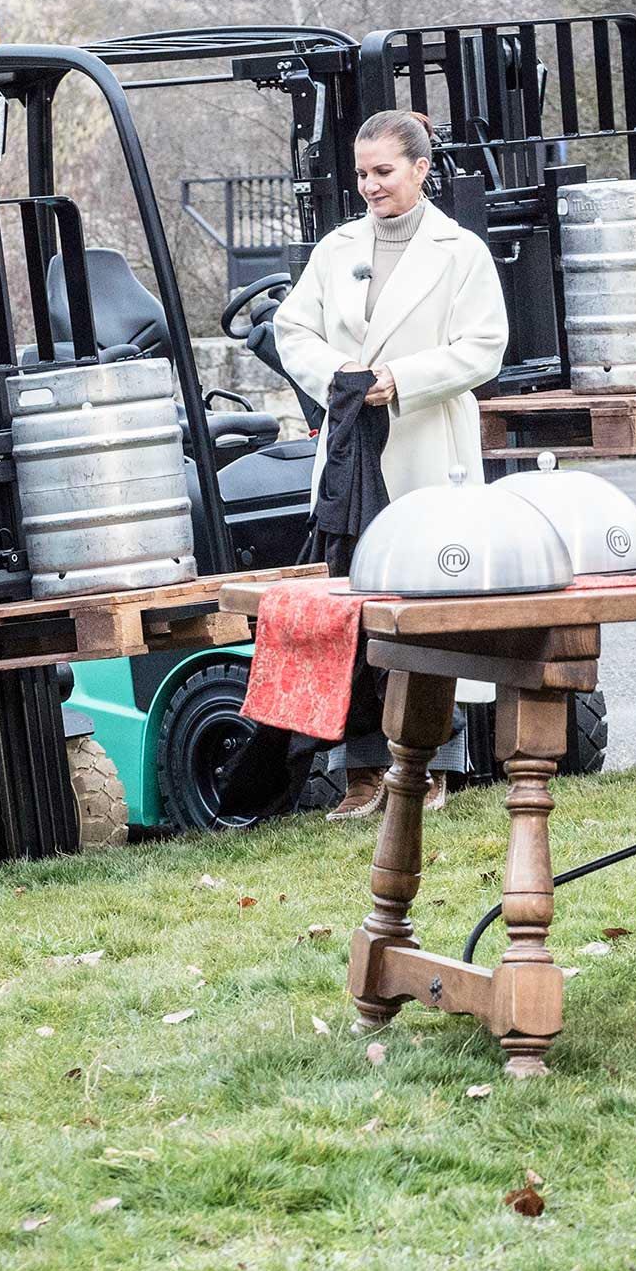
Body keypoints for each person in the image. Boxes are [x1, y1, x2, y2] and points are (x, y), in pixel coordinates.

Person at [273, 109, 510, 818]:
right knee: (352, 602)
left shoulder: (458, 251)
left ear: (420, 169)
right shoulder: (338, 247)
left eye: (383, 172)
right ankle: (360, 768)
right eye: (362, 174)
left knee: (427, 603)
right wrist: (341, 370)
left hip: (424, 445)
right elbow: (293, 326)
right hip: (353, 450)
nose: (370, 186)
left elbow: (484, 346)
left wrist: (401, 379)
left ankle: (429, 761)